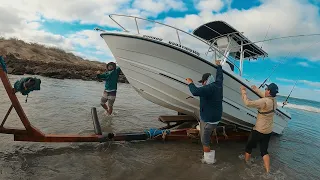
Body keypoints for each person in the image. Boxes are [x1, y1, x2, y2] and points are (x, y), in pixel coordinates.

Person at [186, 60, 223, 164]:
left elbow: (195, 91)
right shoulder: (218, 84)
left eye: (203, 81)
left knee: (204, 141)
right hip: (215, 117)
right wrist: (219, 66)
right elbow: (220, 76)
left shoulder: (208, 88)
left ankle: (209, 162)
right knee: (198, 113)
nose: (202, 83)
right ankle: (200, 126)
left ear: (207, 80)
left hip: (209, 120)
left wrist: (190, 83)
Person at [240, 83, 279, 173]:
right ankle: (268, 171)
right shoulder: (274, 101)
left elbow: (248, 103)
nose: (265, 90)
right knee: (264, 151)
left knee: (248, 148)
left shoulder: (264, 101)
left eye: (266, 89)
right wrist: (256, 89)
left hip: (258, 130)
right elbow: (265, 96)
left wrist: (243, 91)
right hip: (268, 131)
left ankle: (245, 164)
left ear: (269, 91)